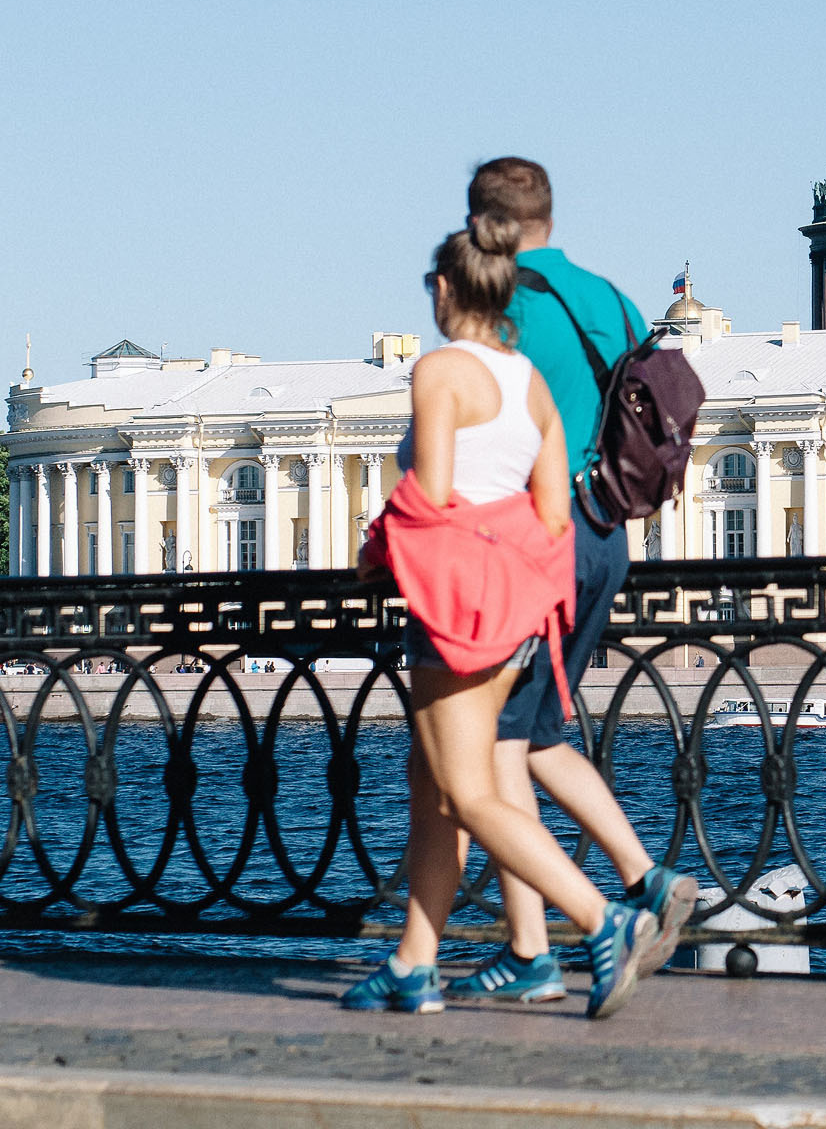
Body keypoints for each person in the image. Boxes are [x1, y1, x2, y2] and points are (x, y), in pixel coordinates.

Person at [342, 217, 657, 1018]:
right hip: (517, 605)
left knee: (468, 790)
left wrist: (377, 545)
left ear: (445, 291)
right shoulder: (529, 381)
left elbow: (433, 492)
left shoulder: (441, 370)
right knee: (432, 788)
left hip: (453, 604)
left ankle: (601, 920)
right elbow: (554, 511)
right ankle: (415, 964)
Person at [440, 157, 697, 1005]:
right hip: (606, 538)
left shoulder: (497, 305)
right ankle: (646, 880)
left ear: (486, 226)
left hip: (530, 543)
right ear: (548, 215)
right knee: (538, 730)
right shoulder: (614, 301)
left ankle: (534, 949)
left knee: (500, 744)